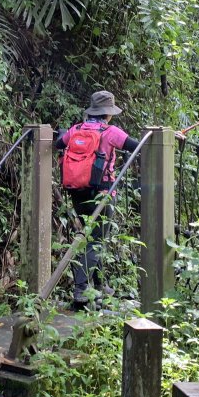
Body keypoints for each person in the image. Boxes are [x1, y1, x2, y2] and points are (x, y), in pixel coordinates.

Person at [56, 90, 140, 311]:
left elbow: (58, 143)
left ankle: (101, 286)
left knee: (91, 236)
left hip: (77, 191)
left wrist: (62, 133)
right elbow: (138, 146)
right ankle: (81, 290)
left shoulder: (76, 129)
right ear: (108, 114)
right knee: (96, 239)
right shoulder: (111, 132)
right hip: (102, 193)